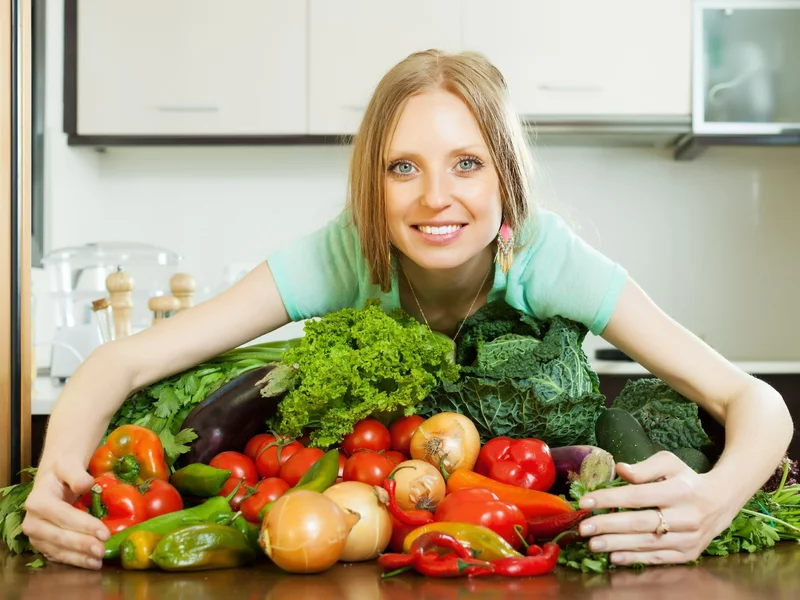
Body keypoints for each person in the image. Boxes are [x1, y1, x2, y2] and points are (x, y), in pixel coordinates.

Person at [23, 49, 792, 570]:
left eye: (467, 163)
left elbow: (751, 400)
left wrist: (715, 499)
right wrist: (53, 477)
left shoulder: (547, 258)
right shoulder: (347, 253)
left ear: (505, 178)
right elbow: (127, 359)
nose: (435, 197)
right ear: (372, 185)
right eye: (402, 168)